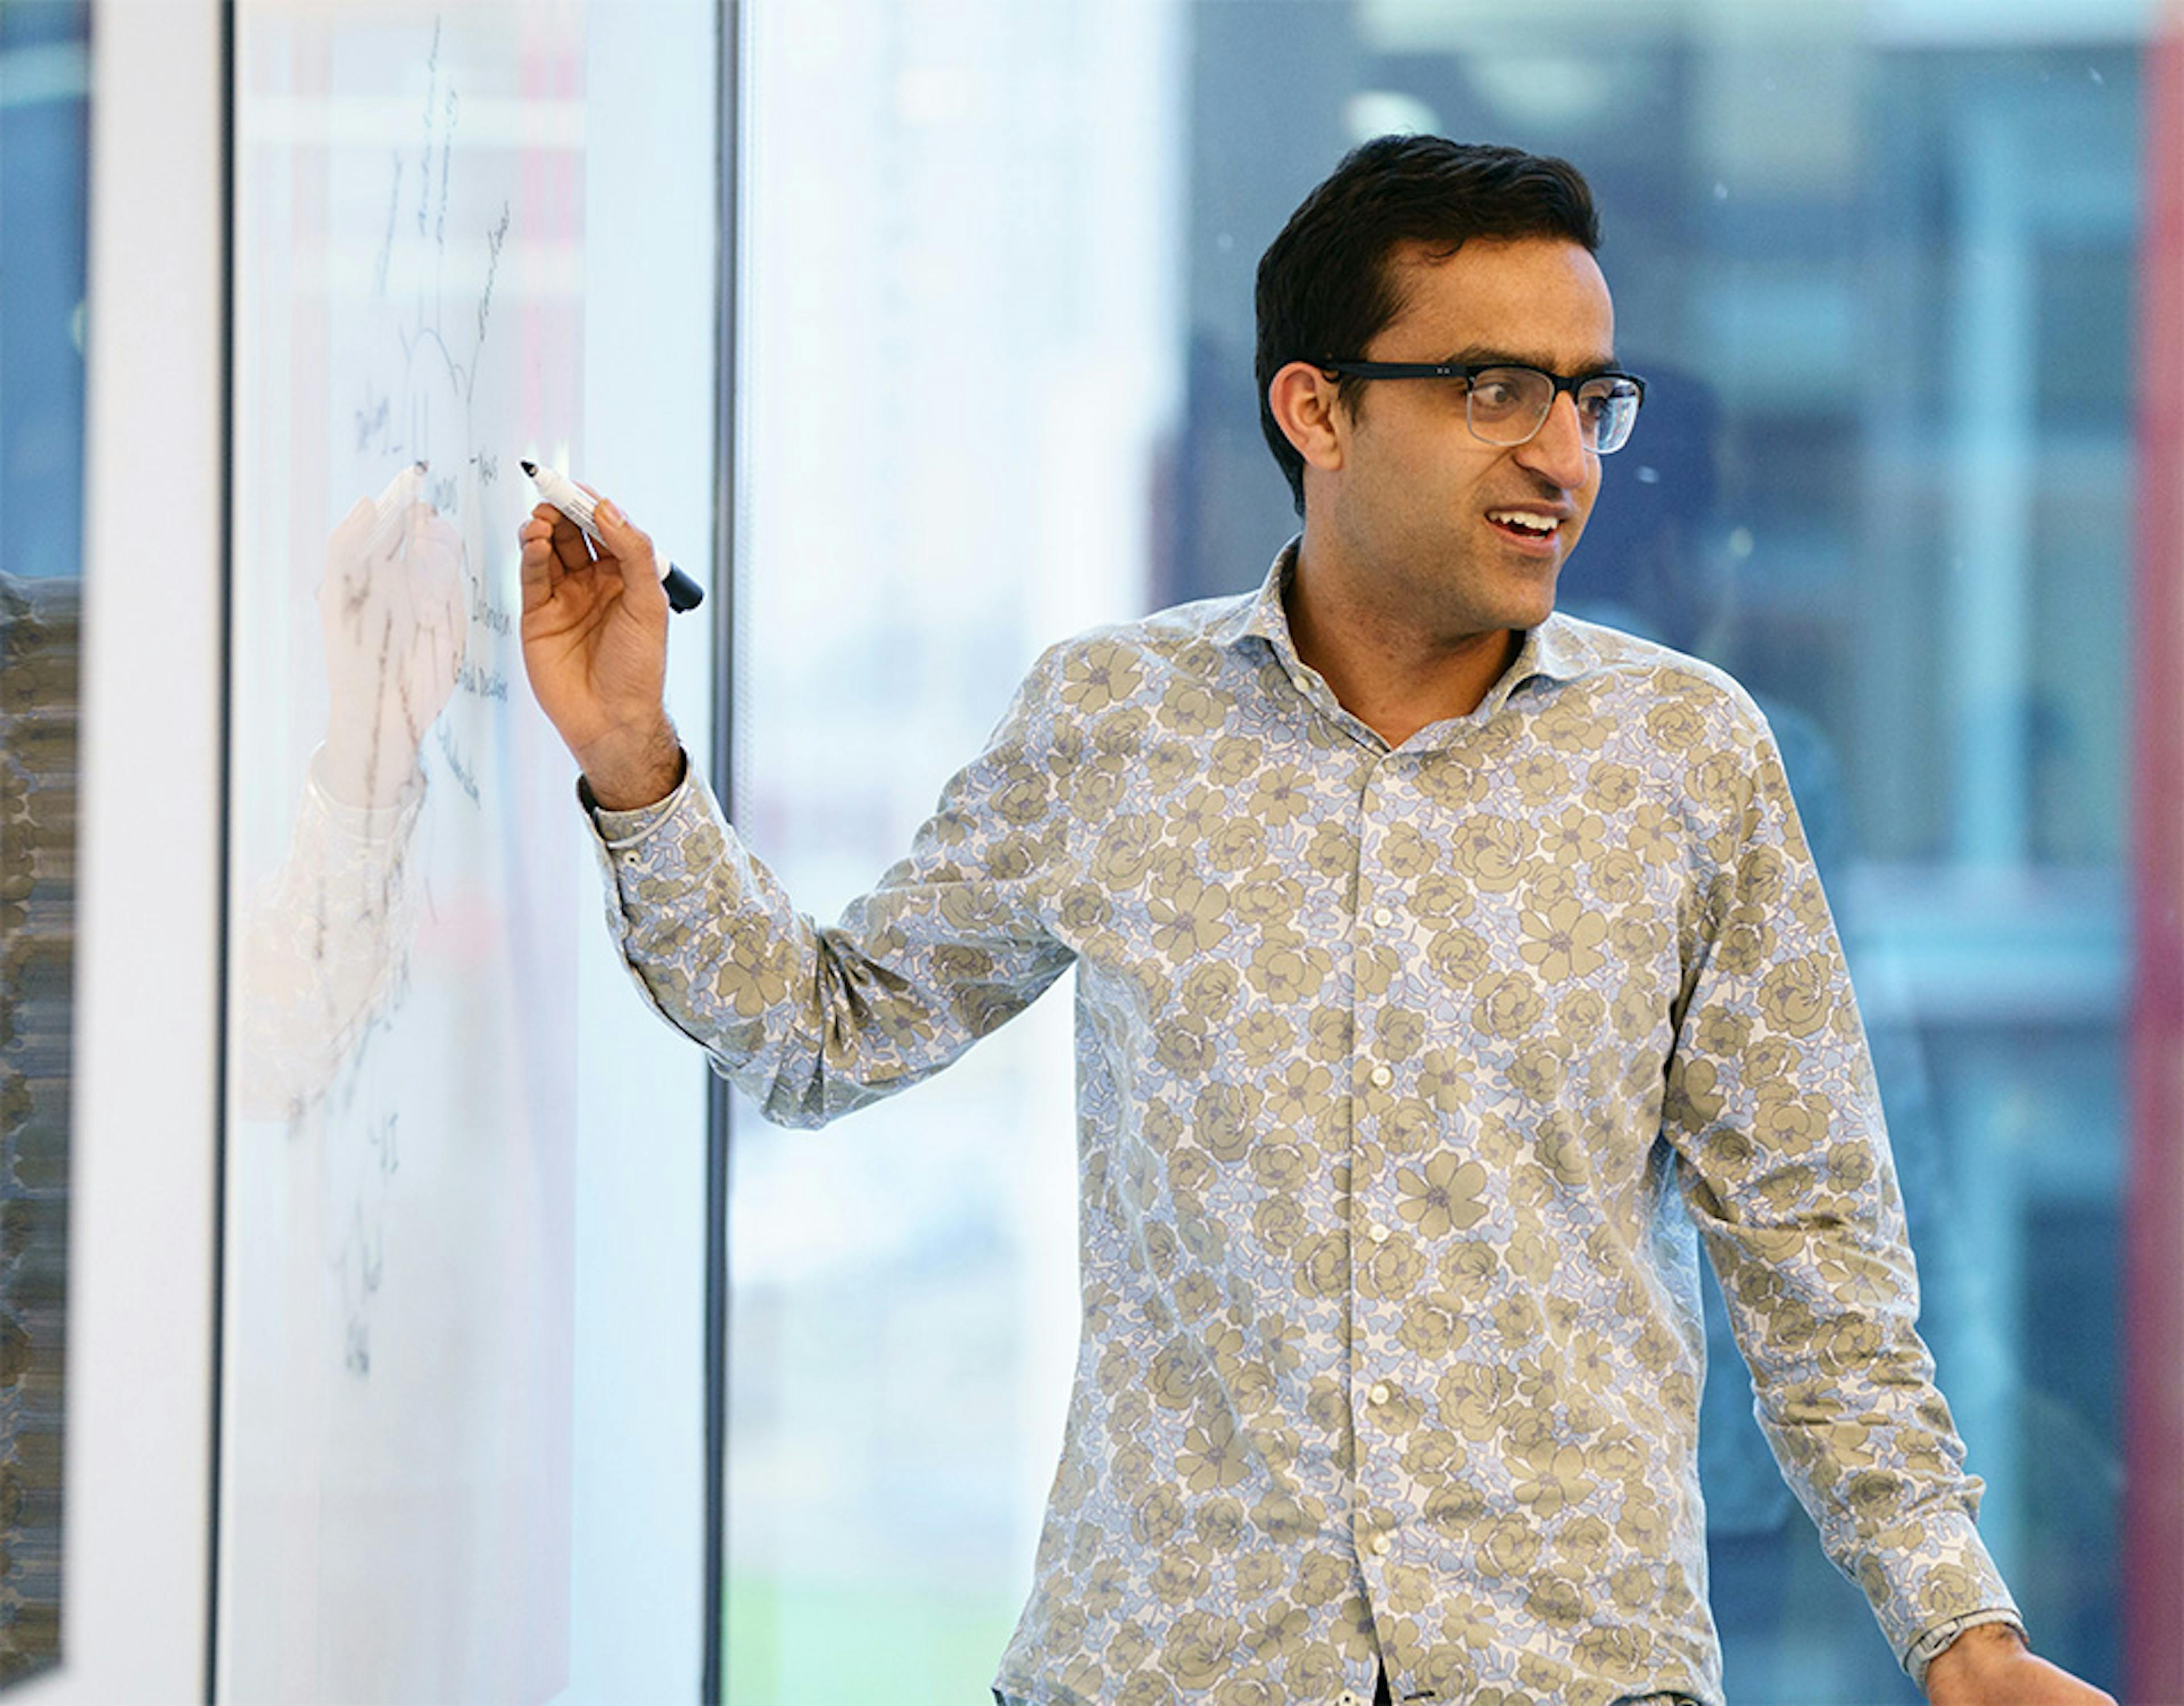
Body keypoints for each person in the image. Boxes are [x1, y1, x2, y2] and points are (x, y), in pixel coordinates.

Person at [518, 137, 2111, 1706]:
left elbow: (1812, 1239)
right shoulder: (1115, 722)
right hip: (1166, 1669)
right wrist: (635, 766)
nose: (1564, 456)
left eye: (1587, 398)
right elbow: (824, 1038)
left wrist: (1958, 1637)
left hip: (1564, 1673)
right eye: (1498, 390)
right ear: (1317, 407)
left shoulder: (1687, 759)